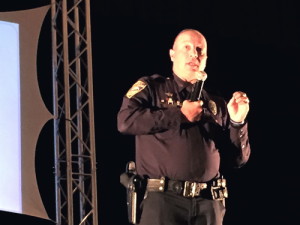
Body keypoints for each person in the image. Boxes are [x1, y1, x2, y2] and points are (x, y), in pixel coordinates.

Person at [117, 28, 251, 225]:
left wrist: (237, 123)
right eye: (186, 47)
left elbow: (237, 159)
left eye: (199, 50)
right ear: (172, 54)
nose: (193, 54)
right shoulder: (152, 87)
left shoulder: (217, 103)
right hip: (164, 201)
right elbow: (125, 121)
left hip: (208, 203)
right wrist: (179, 115)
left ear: (206, 58)